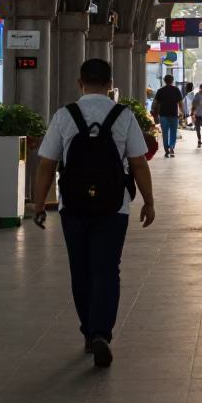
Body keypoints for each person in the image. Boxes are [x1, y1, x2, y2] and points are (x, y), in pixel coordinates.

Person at [31, 58, 156, 368]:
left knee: (81, 270)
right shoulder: (123, 116)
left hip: (73, 206)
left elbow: (46, 163)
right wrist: (149, 201)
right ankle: (102, 331)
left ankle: (88, 332)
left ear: (80, 83)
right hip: (115, 207)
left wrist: (38, 204)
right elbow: (138, 162)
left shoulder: (65, 115)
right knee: (107, 269)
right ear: (110, 84)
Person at [151, 74, 185, 157]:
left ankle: (166, 150)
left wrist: (153, 111)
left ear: (164, 81)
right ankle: (171, 147)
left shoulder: (160, 91)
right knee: (173, 132)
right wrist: (181, 112)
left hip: (163, 115)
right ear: (172, 81)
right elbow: (181, 103)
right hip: (173, 114)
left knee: (165, 133)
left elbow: (155, 102)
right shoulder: (176, 90)